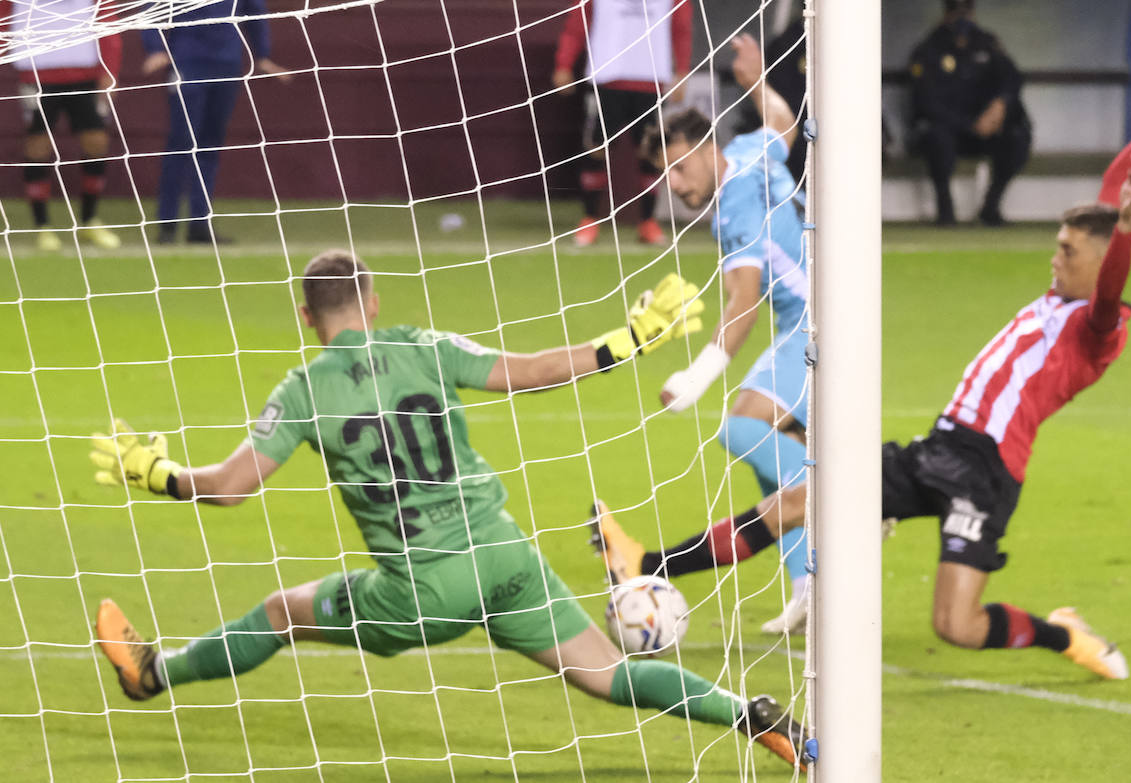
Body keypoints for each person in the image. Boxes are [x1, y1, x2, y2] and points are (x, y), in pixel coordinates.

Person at [600, 68, 1131, 679]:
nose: (1054, 258)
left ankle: (1065, 634)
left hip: (986, 472)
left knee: (956, 626)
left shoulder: (1098, 326)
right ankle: (650, 563)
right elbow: (1117, 185)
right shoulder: (1064, 295)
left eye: (1067, 251)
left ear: (1100, 263)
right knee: (793, 503)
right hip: (941, 444)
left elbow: (1114, 272)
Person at [87, 253, 805, 767]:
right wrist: (632, 338)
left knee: (281, 611)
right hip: (505, 554)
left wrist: (162, 474)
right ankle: (748, 714)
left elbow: (232, 485)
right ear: (371, 301)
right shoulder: (424, 345)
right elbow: (531, 372)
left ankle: (153, 674)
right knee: (609, 673)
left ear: (306, 315)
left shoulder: (304, 389)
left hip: (423, 589)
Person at [613, 34, 810, 635]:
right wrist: (755, 82)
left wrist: (694, 378)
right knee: (768, 455)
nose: (672, 184)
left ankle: (849, 500)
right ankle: (809, 589)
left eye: (677, 167)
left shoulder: (732, 210)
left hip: (814, 325)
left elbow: (742, 304)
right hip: (812, 320)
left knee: (745, 427)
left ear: (703, 148)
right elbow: (784, 123)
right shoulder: (750, 150)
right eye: (662, 175)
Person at [140, 0, 288, 245]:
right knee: (181, 143)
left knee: (210, 145)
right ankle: (167, 224)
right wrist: (155, 47)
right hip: (187, 62)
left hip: (226, 64)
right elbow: (150, 8)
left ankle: (200, 223)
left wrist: (262, 55)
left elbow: (256, 10)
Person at [552, 0, 691, 247]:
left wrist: (682, 70)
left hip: (651, 79)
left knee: (651, 152)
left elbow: (681, 27)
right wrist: (564, 63)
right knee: (596, 147)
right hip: (605, 77)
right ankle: (589, 219)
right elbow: (577, 24)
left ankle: (647, 221)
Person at [4, 0, 123, 250]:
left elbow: (106, 17)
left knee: (96, 142)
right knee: (38, 145)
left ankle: (89, 220)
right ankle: (43, 227)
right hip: (36, 73)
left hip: (84, 74)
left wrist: (109, 69)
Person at [907, 0, 1031, 226]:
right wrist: (968, 124)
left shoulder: (987, 44)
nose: (962, 16)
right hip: (950, 129)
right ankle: (945, 210)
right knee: (936, 136)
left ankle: (990, 208)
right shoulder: (929, 48)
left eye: (967, 10)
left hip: (985, 130)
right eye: (956, 10)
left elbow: (1012, 79)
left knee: (1017, 136)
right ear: (946, 14)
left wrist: (1000, 105)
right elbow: (926, 102)